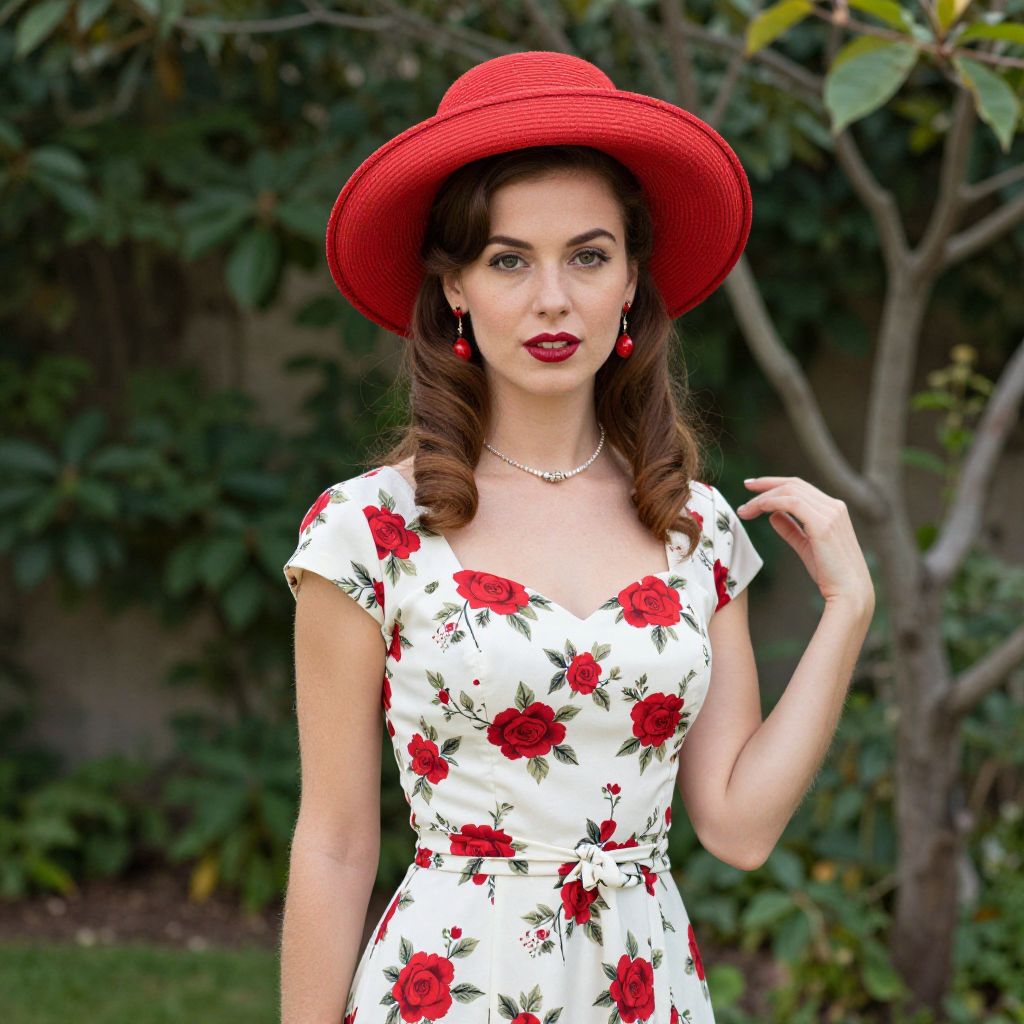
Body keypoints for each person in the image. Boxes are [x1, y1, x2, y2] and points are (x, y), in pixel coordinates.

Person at [279, 50, 875, 1024]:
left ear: (632, 281)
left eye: (587, 256)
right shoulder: (367, 530)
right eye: (509, 258)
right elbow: (336, 841)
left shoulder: (696, 531)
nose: (552, 297)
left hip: (645, 990)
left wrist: (846, 610)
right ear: (456, 288)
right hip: (450, 991)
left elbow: (737, 828)